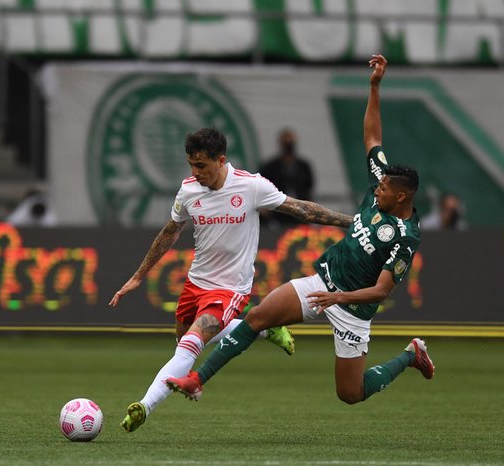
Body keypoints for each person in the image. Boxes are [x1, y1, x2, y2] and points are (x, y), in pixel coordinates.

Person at [166, 55, 434, 408]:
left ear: (401, 197)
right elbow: (372, 136)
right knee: (259, 317)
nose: (375, 190)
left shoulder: (405, 236)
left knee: (350, 394)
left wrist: (338, 299)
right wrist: (374, 86)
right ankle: (197, 379)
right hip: (323, 283)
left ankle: (410, 355)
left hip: (352, 309)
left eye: (382, 190)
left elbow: (381, 290)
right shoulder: (381, 184)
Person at [109, 127, 353, 432]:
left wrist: (352, 222)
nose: (195, 172)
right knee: (184, 337)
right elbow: (170, 231)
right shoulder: (188, 190)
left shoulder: (251, 186)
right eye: (191, 165)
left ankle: (144, 406)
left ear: (221, 160)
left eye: (201, 166)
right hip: (196, 283)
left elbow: (301, 209)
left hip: (230, 288)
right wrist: (136, 277)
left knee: (188, 346)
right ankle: (266, 328)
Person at [259, 128, 315, 228]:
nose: (289, 145)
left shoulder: (303, 166)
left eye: (291, 142)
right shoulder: (270, 167)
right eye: (286, 142)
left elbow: (309, 187)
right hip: (278, 211)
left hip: (300, 210)